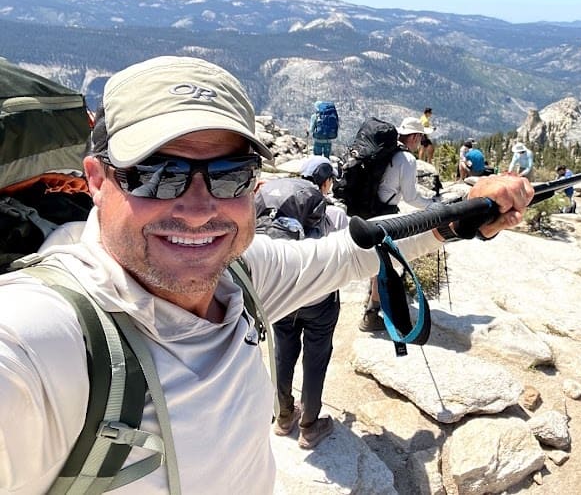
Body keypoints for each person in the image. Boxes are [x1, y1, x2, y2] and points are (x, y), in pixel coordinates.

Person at [0, 55, 533, 494]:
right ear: (97, 180)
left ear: (254, 184)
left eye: (230, 176)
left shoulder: (240, 275)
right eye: (158, 175)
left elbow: (350, 254)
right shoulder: (42, 339)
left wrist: (459, 217)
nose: (198, 210)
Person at [257, 156, 345, 447]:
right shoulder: (334, 214)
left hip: (283, 296)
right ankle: (309, 425)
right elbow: (345, 257)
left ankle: (283, 417)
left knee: (283, 354)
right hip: (320, 301)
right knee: (315, 359)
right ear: (326, 182)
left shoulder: (276, 209)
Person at [360, 116, 439, 332]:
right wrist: (434, 205)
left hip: (369, 208)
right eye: (421, 137)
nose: (421, 142)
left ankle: (371, 297)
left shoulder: (385, 151)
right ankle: (371, 315)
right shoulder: (407, 159)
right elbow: (411, 197)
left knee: (375, 260)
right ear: (414, 136)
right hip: (385, 213)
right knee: (383, 264)